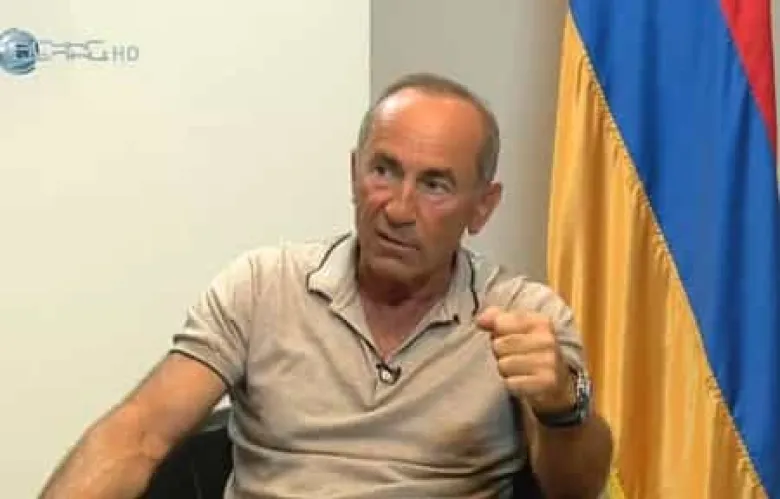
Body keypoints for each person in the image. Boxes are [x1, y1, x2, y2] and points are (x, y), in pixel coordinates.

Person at [39, 72, 613, 498]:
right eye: (384, 171)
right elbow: (137, 435)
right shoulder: (262, 286)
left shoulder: (522, 313)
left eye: (435, 185)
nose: (399, 209)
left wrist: (562, 406)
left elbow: (576, 491)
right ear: (354, 173)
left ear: (482, 207)